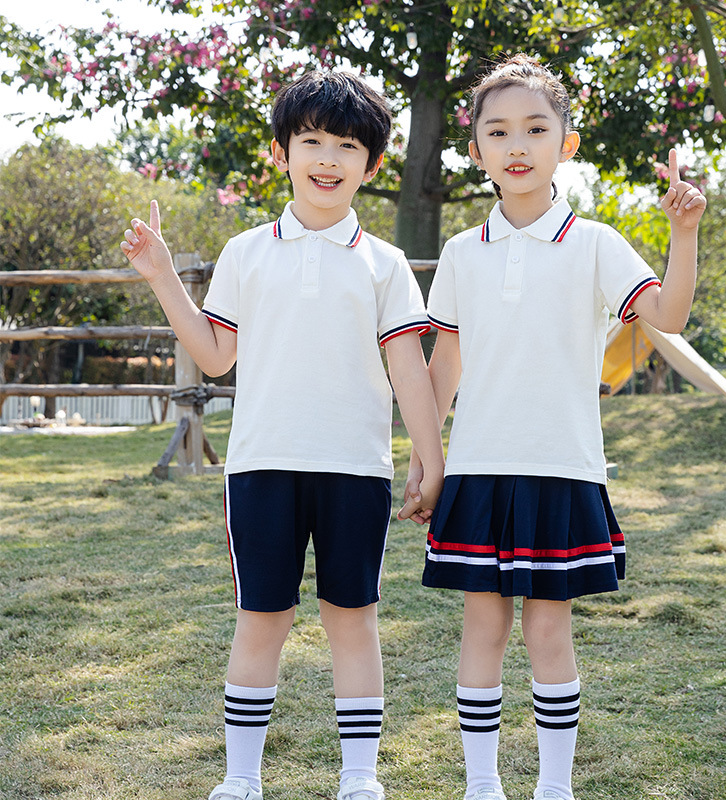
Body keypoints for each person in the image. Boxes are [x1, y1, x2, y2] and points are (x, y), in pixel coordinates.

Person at [121, 70, 445, 800]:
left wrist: (433, 459)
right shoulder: (245, 252)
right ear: (281, 153)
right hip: (261, 466)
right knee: (260, 618)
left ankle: (359, 777)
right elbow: (214, 355)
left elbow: (409, 372)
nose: (328, 158)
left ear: (372, 165)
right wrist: (164, 275)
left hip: (357, 470)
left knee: (352, 621)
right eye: (312, 142)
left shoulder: (386, 266)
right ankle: (241, 778)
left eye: (347, 145)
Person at [405, 54, 706, 800]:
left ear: (564, 144)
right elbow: (443, 371)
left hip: (564, 468)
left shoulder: (597, 243)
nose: (517, 145)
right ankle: (481, 786)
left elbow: (667, 316)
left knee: (547, 632)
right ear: (475, 151)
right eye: (498, 131)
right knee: (482, 630)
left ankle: (554, 788)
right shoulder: (459, 254)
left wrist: (686, 232)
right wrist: (425, 460)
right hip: (477, 469)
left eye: (536, 129)